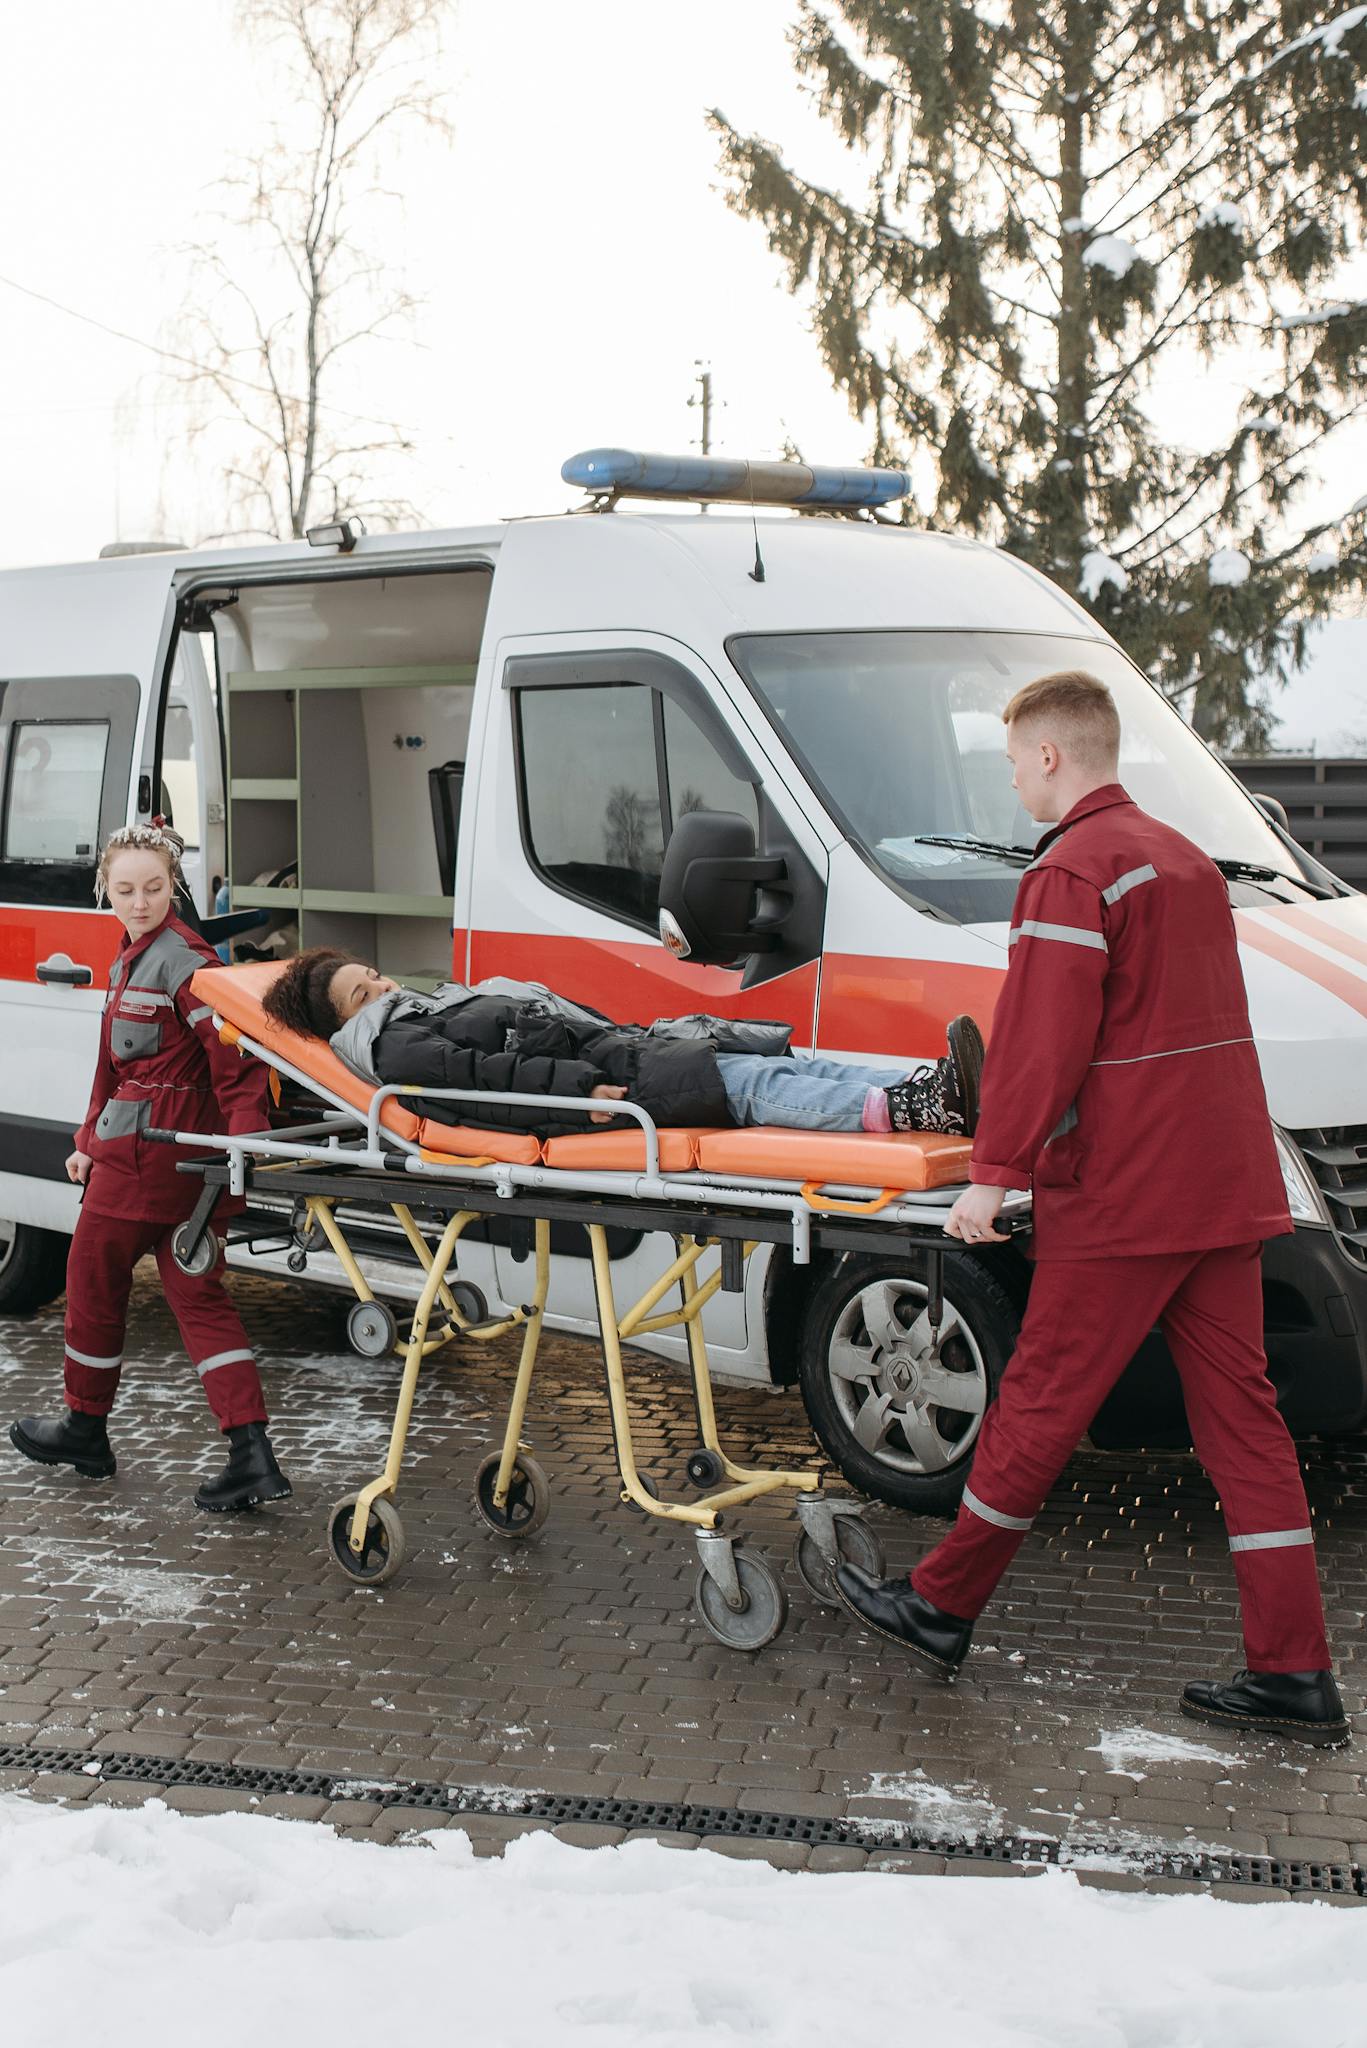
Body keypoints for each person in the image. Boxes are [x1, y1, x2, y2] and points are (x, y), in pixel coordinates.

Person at [836, 670, 1347, 1746]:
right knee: (1244, 1427)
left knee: (1037, 1403)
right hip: (1222, 1186)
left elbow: (1040, 1040)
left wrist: (993, 1173)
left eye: (1013, 762)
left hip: (1125, 1196)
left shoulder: (1071, 870)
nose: (1012, 781)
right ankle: (1293, 1670)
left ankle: (939, 1606)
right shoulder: (1184, 861)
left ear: (1050, 755)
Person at [9, 824, 291, 1513]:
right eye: (126, 890)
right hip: (169, 1156)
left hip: (150, 1158)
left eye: (155, 888)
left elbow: (237, 1058)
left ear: (174, 886)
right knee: (198, 1297)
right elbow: (112, 1066)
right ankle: (251, 1453)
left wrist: (245, 1140)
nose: (139, 902)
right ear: (105, 890)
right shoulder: (132, 958)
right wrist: (86, 1138)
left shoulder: (185, 964)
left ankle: (84, 1428)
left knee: (91, 1280)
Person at [258, 949, 986, 1141]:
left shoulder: (420, 1011)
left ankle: (935, 1089)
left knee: (779, 1061)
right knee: (753, 1089)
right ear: (342, 1023)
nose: (381, 986)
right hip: (609, 1086)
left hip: (621, 1054)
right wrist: (580, 1095)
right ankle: (915, 1110)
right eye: (362, 993)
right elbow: (486, 1083)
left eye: (372, 975)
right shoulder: (395, 1050)